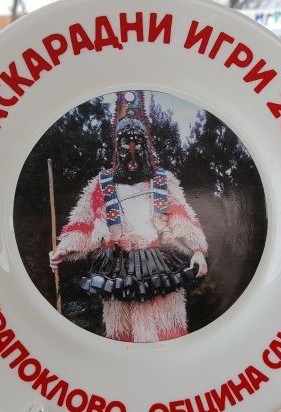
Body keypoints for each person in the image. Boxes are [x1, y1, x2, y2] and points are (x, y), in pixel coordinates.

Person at [49, 91, 208, 343]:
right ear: (117, 146)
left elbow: (181, 216)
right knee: (122, 334)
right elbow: (85, 221)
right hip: (117, 266)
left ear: (146, 146)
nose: (132, 152)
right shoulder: (101, 183)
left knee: (168, 328)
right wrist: (64, 249)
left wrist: (196, 250)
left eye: (138, 145)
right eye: (126, 145)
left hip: (159, 264)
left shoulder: (163, 181)